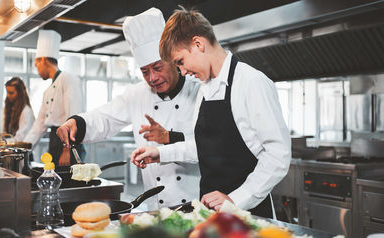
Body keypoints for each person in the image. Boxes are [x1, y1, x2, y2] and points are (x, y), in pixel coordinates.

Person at [131, 7, 291, 218]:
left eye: (180, 62)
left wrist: (236, 199)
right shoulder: (205, 89)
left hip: (249, 214)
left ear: (198, 44)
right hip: (211, 212)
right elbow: (206, 148)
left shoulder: (251, 82)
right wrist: (160, 154)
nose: (183, 72)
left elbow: (278, 155)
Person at [56, 8, 201, 210]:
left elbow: (208, 147)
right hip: (156, 209)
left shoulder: (199, 91)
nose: (152, 78)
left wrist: (170, 137)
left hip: (197, 205)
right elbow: (104, 117)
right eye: (144, 71)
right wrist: (76, 123)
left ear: (172, 58)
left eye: (157, 68)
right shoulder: (137, 94)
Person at [24, 30, 84, 166]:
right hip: (54, 140)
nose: (37, 69)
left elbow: (73, 116)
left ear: (43, 60)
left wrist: (66, 150)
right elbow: (39, 125)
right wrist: (23, 149)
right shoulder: (48, 91)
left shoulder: (68, 79)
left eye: (37, 64)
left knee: (67, 183)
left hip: (68, 143)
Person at [0, 77, 35, 142]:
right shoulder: (12, 109)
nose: (8, 96)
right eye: (7, 92)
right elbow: (10, 135)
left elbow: (19, 140)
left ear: (20, 94)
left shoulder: (26, 112)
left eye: (11, 93)